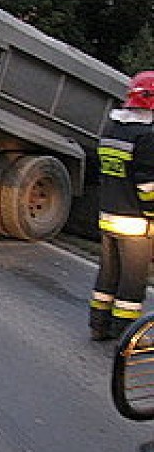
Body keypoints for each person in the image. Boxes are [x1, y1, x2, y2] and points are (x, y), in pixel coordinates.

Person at [90, 71, 154, 341]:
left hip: (109, 215)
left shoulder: (112, 128)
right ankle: (127, 333)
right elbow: (148, 185)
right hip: (135, 222)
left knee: (108, 274)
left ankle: (99, 324)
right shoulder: (148, 136)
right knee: (132, 279)